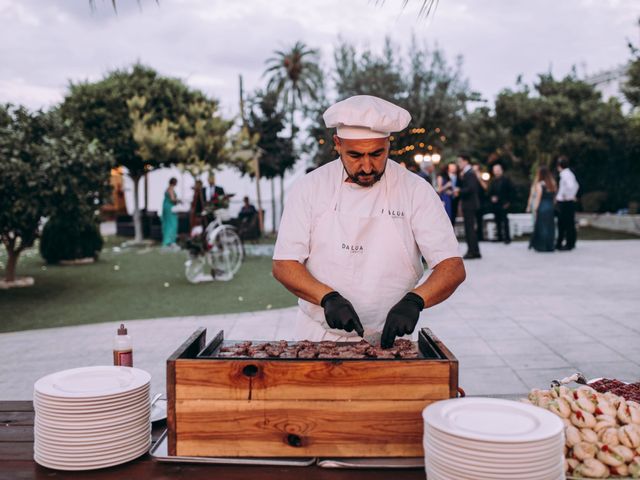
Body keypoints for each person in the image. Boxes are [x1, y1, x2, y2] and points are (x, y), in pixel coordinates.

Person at [272, 95, 465, 347]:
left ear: (388, 145)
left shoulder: (415, 190)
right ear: (337, 144)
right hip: (318, 335)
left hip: (390, 338)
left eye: (376, 154)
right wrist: (327, 298)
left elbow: (451, 266)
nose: (366, 166)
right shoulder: (309, 188)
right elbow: (284, 264)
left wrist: (414, 301)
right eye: (355, 155)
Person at [454, 154, 482, 259]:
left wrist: (459, 191)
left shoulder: (469, 173)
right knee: (470, 228)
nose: (458, 164)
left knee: (469, 228)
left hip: (469, 204)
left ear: (466, 161)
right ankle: (475, 251)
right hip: (470, 204)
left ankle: (472, 252)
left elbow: (471, 188)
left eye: (460, 161)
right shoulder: (467, 173)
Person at [527, 165, 557, 252]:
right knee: (550, 227)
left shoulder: (540, 184)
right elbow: (554, 197)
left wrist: (535, 208)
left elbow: (538, 197)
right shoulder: (553, 183)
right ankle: (549, 246)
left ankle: (541, 246)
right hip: (550, 207)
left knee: (541, 227)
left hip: (542, 207)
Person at [555, 156, 579, 251]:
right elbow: (576, 186)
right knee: (570, 223)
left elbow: (571, 186)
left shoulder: (565, 174)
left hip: (565, 202)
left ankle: (564, 243)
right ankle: (570, 242)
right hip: (569, 201)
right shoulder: (570, 174)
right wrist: (572, 195)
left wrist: (566, 195)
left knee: (563, 224)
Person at [487, 163, 514, 244]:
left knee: (505, 221)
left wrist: (508, 202)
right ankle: (499, 237)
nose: (496, 172)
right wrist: (492, 197)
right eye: (495, 171)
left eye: (498, 170)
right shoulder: (493, 181)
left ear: (501, 170)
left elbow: (511, 192)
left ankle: (507, 238)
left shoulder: (506, 180)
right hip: (495, 204)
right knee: (497, 220)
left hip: (504, 203)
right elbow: (489, 192)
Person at [161, 177, 179, 248]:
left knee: (167, 223)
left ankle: (167, 240)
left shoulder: (167, 188)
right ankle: (170, 241)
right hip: (170, 208)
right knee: (172, 224)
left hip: (166, 206)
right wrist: (179, 201)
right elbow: (172, 199)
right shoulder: (171, 189)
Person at [473, 163, 489, 242]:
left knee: (479, 219)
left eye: (477, 170)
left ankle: (480, 236)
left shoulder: (482, 178)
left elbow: (486, 188)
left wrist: (479, 179)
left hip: (480, 201)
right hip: (472, 201)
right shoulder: (470, 178)